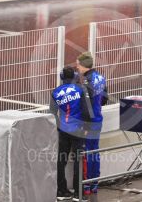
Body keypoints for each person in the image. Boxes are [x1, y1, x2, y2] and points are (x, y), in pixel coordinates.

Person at [50, 66, 88, 201]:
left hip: (63, 130)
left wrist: (59, 127)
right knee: (78, 160)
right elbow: (86, 111)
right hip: (78, 129)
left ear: (61, 76)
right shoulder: (80, 89)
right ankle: (78, 193)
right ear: (75, 76)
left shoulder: (55, 92)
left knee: (61, 161)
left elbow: (52, 114)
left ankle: (61, 190)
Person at [76, 52, 108, 195]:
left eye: (78, 64)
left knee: (88, 153)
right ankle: (95, 183)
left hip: (90, 122)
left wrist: (85, 125)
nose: (77, 67)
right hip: (98, 119)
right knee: (95, 151)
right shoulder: (101, 78)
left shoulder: (86, 83)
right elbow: (104, 99)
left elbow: (85, 107)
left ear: (83, 66)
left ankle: (87, 185)